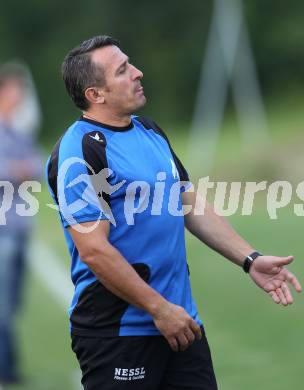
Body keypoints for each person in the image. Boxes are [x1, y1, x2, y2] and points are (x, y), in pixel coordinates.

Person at [46, 35, 302, 390]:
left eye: (130, 63)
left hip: (182, 323)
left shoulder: (149, 130)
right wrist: (158, 309)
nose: (137, 72)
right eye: (122, 70)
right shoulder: (79, 152)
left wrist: (250, 258)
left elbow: (188, 203)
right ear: (96, 94)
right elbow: (94, 251)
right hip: (120, 333)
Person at [0, 64, 41, 385]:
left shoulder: (17, 130)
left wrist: (21, 168)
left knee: (12, 302)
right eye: (16, 89)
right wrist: (17, 168)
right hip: (3, 228)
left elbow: (38, 165)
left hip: (20, 226)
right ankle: (6, 368)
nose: (21, 96)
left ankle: (9, 366)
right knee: (2, 303)